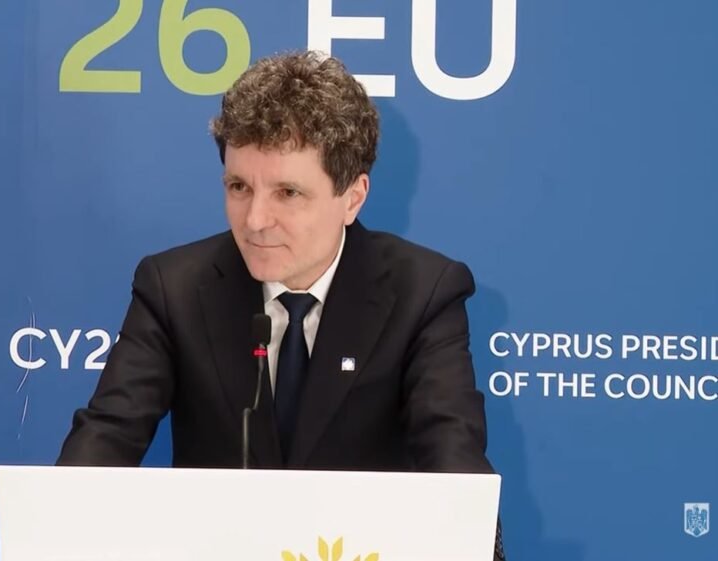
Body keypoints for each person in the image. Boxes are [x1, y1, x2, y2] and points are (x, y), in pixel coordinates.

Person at [57, 50, 505, 559]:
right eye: (239, 187)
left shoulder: (424, 292)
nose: (254, 221)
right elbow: (106, 440)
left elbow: (456, 468)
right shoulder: (173, 287)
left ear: (353, 197)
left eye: (288, 192)